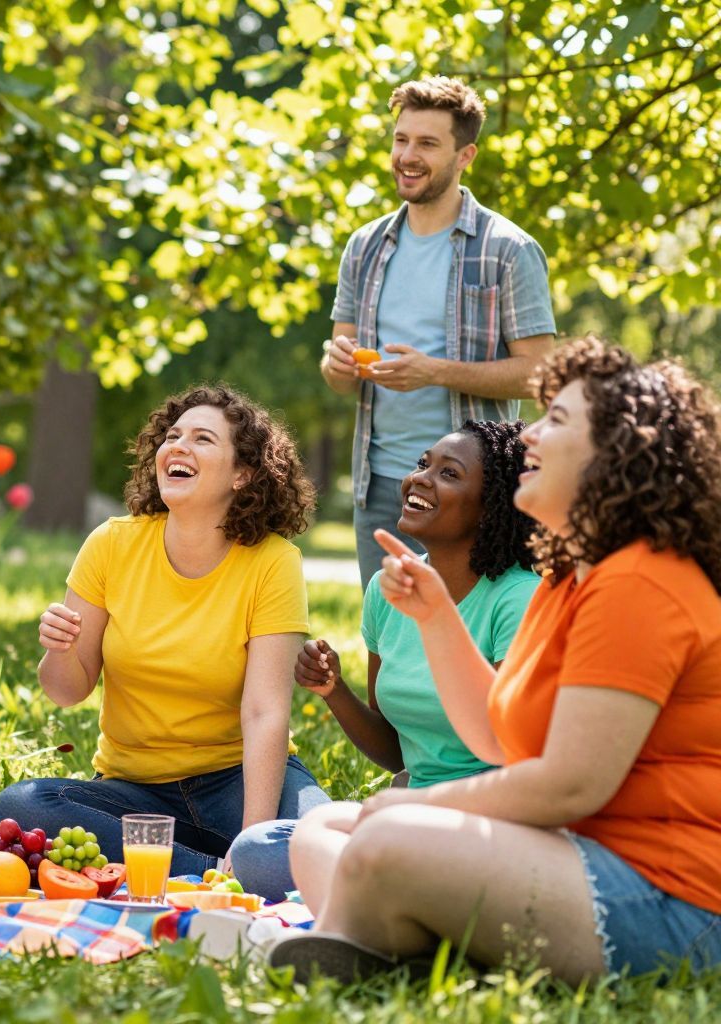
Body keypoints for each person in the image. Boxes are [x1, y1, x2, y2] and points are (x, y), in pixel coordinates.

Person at [271, 337, 721, 982]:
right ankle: (405, 948)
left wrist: (416, 806)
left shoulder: (641, 581)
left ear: (617, 456)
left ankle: (379, 944)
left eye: (556, 421)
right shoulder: (570, 577)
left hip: (668, 896)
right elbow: (495, 734)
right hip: (578, 854)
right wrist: (434, 617)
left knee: (384, 836)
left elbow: (570, 785)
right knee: (323, 831)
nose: (530, 435)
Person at [0, 384, 329, 877]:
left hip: (239, 781)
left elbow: (264, 712)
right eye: (172, 435)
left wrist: (252, 838)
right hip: (136, 791)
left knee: (325, 842)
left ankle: (212, 865)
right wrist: (60, 650)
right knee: (24, 805)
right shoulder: (111, 544)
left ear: (242, 474)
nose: (178, 446)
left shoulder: (274, 562)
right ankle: (209, 871)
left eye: (202, 439)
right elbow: (67, 691)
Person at [228, 420, 539, 898]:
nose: (420, 479)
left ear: (490, 507)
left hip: (493, 820)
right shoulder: (386, 589)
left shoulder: (518, 599)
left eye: (449, 474)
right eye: (422, 464)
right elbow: (397, 750)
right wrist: (334, 691)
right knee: (257, 851)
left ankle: (387, 893)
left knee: (327, 854)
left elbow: (511, 747)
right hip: (409, 811)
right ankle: (387, 891)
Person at [319, 75, 556, 586]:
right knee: (386, 646)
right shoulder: (363, 247)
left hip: (471, 491)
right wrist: (337, 365)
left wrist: (434, 372)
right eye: (401, 139)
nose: (408, 155)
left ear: (465, 155)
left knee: (464, 651)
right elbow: (341, 375)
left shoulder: (508, 250)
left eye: (427, 143)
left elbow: (540, 374)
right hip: (380, 484)